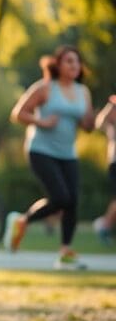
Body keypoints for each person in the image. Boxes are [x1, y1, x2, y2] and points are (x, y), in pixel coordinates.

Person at [6, 45, 95, 269]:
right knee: (61, 198)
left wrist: (92, 119)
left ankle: (65, 253)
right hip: (41, 150)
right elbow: (18, 113)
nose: (74, 65)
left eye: (77, 61)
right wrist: (42, 122)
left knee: (72, 201)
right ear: (58, 65)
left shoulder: (83, 92)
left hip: (68, 153)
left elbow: (88, 127)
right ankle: (22, 220)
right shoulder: (45, 88)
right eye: (69, 61)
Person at [93, 95, 116, 245]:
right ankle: (104, 225)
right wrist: (112, 105)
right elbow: (99, 122)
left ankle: (105, 224)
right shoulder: (111, 121)